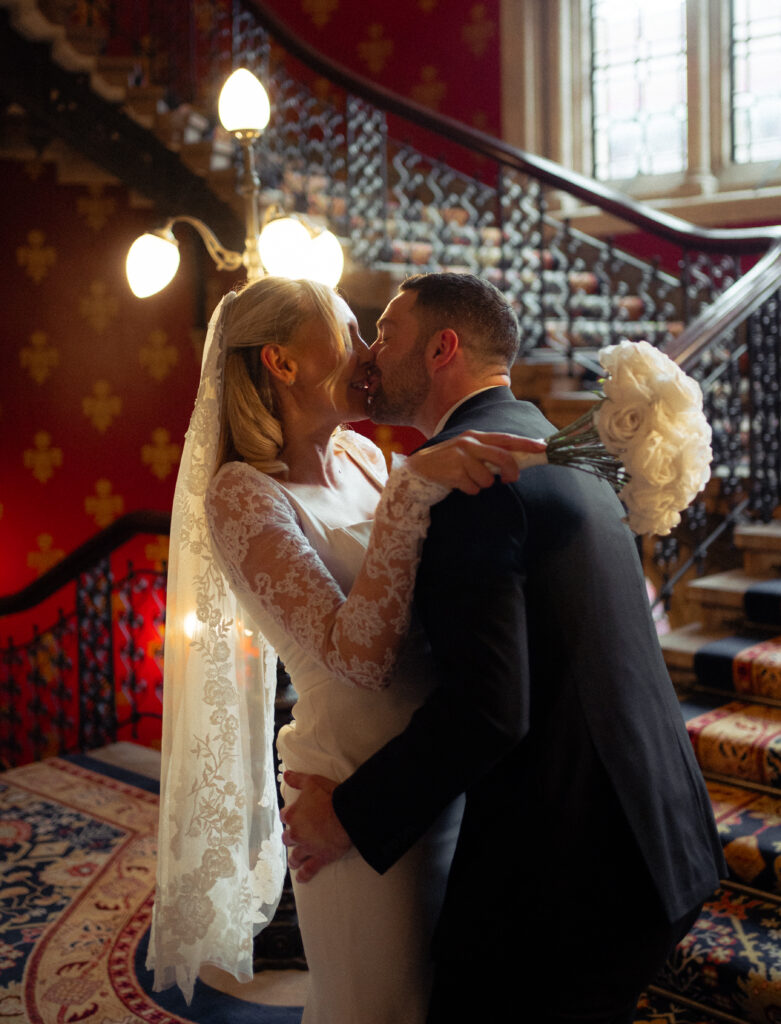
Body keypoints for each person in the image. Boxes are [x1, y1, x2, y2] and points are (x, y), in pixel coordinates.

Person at [281, 272, 727, 1024]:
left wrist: (347, 816)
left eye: (386, 332)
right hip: (658, 831)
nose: (371, 352)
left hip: (581, 867)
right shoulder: (556, 456)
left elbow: (487, 709)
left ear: (440, 348)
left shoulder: (473, 482)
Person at [146, 274, 542, 1020]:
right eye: (349, 329)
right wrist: (406, 495)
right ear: (282, 363)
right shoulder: (242, 494)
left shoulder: (364, 458)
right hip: (348, 789)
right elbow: (357, 659)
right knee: (378, 1005)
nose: (369, 350)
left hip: (427, 767)